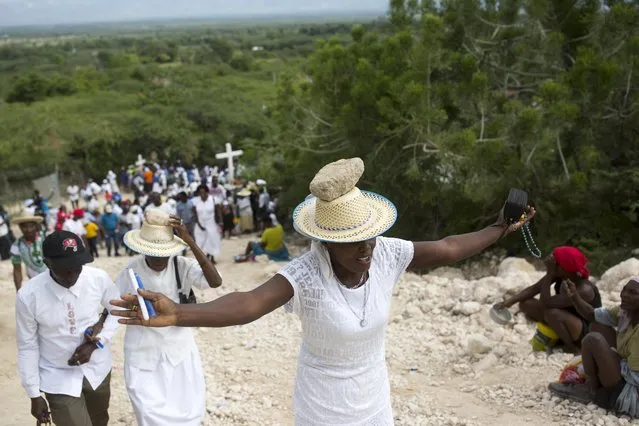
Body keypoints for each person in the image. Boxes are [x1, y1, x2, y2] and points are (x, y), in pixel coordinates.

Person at [110, 157, 536, 426]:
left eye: (370, 237)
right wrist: (180, 314)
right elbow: (248, 304)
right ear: (328, 241)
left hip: (372, 397)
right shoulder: (306, 275)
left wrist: (499, 227)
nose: (366, 248)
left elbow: (447, 249)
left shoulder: (385, 253)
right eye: (355, 242)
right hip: (323, 406)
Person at [117, 210, 222, 426]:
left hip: (179, 349)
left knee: (187, 406)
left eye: (163, 252)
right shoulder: (131, 270)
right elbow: (113, 305)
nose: (158, 257)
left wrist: (190, 241)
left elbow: (215, 281)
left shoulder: (181, 265)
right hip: (142, 349)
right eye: (153, 252)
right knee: (148, 409)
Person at [16, 230, 120, 426]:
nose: (73, 273)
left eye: (78, 266)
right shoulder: (28, 296)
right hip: (57, 376)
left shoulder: (98, 278)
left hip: (97, 370)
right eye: (65, 268)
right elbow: (27, 346)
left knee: (99, 420)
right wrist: (34, 394)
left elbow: (117, 311)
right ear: (48, 263)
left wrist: (96, 344)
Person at [549, 277, 639, 417]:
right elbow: (592, 314)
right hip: (625, 368)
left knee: (593, 340)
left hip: (630, 389)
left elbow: (635, 377)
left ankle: (589, 390)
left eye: (633, 292)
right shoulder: (625, 313)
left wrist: (610, 356)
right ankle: (596, 379)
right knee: (598, 325)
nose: (624, 295)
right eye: (624, 289)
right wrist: (574, 296)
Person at [495, 246, 601, 354]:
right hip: (566, 316)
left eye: (555, 262)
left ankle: (573, 347)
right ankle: (559, 333)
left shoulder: (584, 290)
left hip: (586, 330)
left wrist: (550, 273)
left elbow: (546, 304)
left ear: (562, 267)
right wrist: (510, 301)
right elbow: (535, 288)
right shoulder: (562, 275)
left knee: (552, 313)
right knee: (525, 304)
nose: (551, 263)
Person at [11, 212, 48, 292]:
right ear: (20, 227)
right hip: (35, 283)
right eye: (24, 227)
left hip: (55, 278)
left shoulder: (46, 237)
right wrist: (19, 291)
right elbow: (17, 270)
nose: (28, 229)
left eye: (31, 226)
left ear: (36, 226)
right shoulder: (16, 246)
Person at [191, 184, 222, 264]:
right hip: (200, 224)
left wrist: (220, 222)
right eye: (200, 193)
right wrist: (199, 224)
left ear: (207, 192)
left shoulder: (214, 200)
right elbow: (194, 214)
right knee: (200, 242)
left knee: (211, 240)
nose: (202, 194)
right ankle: (205, 258)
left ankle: (210, 258)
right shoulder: (195, 201)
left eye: (204, 192)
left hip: (211, 223)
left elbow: (218, 212)